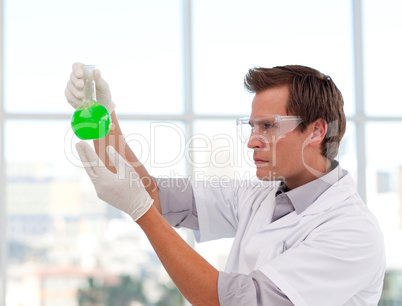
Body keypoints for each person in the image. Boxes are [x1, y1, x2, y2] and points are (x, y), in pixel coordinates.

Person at [65, 63, 386, 305]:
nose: (252, 142)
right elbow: (149, 193)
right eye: (251, 127)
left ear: (316, 132)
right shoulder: (256, 195)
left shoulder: (351, 231)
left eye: (269, 126)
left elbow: (233, 301)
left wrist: (142, 213)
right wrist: (102, 117)